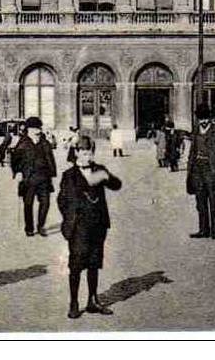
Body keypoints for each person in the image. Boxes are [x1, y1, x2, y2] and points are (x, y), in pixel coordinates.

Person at [58, 135, 122, 319]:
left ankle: (93, 300)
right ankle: (74, 303)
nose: (87, 156)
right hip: (78, 228)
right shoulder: (69, 175)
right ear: (77, 153)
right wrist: (70, 218)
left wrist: (106, 176)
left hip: (97, 226)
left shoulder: (99, 170)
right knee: (76, 266)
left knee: (94, 263)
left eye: (90, 153)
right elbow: (62, 200)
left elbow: (117, 186)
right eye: (84, 153)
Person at [11, 116, 57, 237]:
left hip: (44, 178)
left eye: (39, 128)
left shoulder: (45, 143)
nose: (39, 131)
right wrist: (18, 172)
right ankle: (29, 228)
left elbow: (50, 159)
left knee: (45, 203)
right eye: (36, 128)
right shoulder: (23, 143)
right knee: (28, 204)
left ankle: (41, 226)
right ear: (29, 129)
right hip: (29, 178)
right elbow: (15, 159)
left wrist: (52, 172)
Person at [186, 103, 215, 239]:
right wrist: (190, 169)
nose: (203, 121)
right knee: (200, 202)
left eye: (205, 118)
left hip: (212, 171)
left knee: (214, 201)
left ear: (210, 118)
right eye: (200, 118)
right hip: (197, 170)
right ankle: (203, 229)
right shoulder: (196, 131)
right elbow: (192, 151)